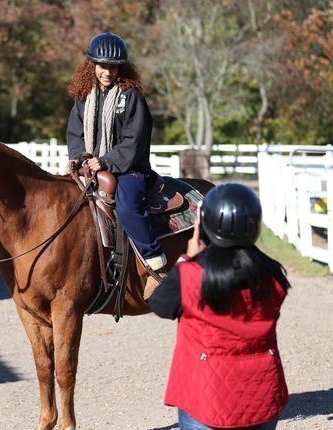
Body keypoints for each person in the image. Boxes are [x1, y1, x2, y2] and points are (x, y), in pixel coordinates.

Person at [148, 183, 291, 430]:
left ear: (205, 226)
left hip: (206, 398)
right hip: (262, 393)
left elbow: (160, 305)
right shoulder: (273, 274)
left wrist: (187, 259)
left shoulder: (191, 274)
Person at [66, 31, 166, 293]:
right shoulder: (83, 98)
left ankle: (155, 265)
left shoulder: (131, 97)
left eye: (112, 67)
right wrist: (78, 158)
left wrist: (106, 161)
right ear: (92, 66)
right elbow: (75, 133)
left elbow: (135, 140)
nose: (107, 73)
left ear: (121, 68)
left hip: (129, 169)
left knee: (127, 207)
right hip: (91, 167)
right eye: (102, 66)